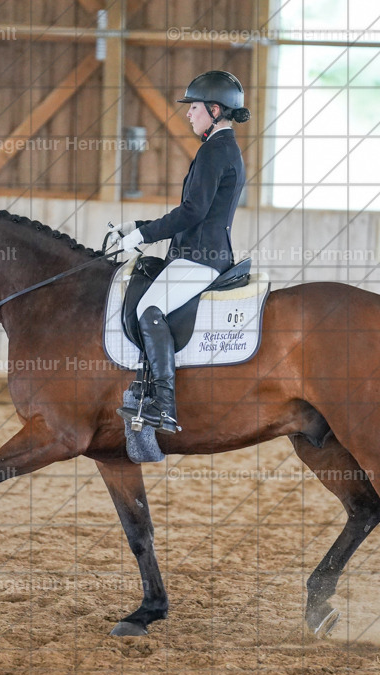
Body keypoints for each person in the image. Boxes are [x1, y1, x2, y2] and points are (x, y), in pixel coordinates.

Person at [107, 70, 250, 433]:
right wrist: (137, 226)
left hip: (200, 258)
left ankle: (164, 405)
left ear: (215, 110)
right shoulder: (220, 149)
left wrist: (143, 235)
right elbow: (194, 212)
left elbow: (193, 212)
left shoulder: (215, 151)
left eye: (194, 108)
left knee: (148, 309)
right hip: (199, 252)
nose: (188, 114)